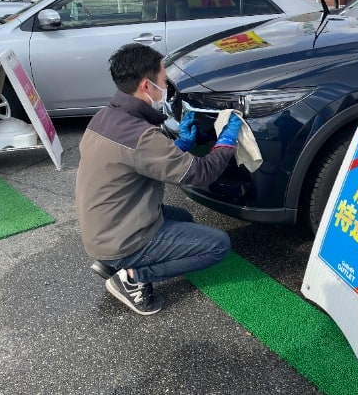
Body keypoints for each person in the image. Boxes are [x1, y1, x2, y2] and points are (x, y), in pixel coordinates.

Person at [75, 43, 242, 316]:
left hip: (103, 227)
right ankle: (132, 276)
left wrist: (181, 146)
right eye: (164, 81)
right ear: (146, 86)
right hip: (120, 239)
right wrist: (225, 144)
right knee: (217, 245)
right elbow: (199, 174)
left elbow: (140, 160)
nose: (166, 88)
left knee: (184, 219)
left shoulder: (105, 117)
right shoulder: (142, 136)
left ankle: (112, 262)